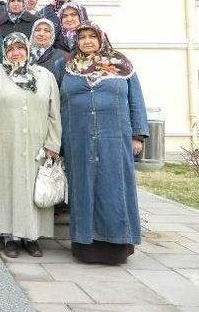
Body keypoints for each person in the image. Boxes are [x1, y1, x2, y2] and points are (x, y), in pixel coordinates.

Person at [53, 22, 149, 265]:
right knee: (82, 188)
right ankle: (86, 245)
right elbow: (54, 104)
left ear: (101, 38)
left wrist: (137, 135)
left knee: (114, 187)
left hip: (115, 138)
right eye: (82, 37)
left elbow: (136, 101)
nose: (87, 41)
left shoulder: (122, 65)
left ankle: (117, 246)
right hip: (78, 138)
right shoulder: (65, 66)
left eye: (91, 37)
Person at [0, 32, 61, 258]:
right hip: (4, 140)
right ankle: (9, 237)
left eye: (20, 48)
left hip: (37, 141)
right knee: (6, 186)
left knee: (32, 188)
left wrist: (53, 143)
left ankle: (31, 237)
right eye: (11, 49)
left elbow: (54, 113)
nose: (16, 53)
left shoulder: (44, 76)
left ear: (27, 49)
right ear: (5, 52)